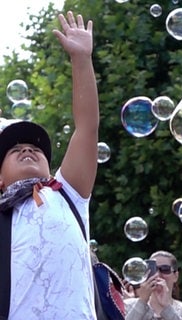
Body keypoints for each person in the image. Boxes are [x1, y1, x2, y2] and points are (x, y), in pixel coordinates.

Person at [0, 11, 99, 319]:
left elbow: (86, 127)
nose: (27, 149)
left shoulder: (68, 194)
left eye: (35, 148)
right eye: (15, 149)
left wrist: (81, 60)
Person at [124, 250, 182, 320]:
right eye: (153, 270)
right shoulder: (129, 305)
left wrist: (167, 307)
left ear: (175, 276)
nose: (158, 275)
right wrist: (142, 301)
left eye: (165, 269)